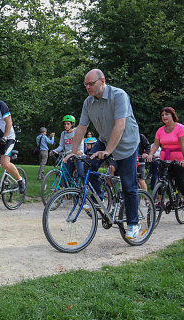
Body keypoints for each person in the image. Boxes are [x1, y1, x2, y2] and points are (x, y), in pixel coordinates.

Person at [64, 69, 141, 239]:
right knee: (87, 165)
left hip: (127, 144)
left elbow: (120, 125)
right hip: (106, 140)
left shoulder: (119, 95)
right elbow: (81, 128)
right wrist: (74, 151)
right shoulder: (88, 102)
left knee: (128, 185)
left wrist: (107, 152)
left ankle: (134, 223)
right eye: (86, 85)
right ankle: (98, 198)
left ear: (103, 81)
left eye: (92, 83)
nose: (88, 87)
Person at [147, 107, 184, 211]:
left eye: (167, 114)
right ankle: (160, 201)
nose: (164, 117)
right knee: (161, 179)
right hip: (165, 158)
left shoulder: (180, 128)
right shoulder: (160, 130)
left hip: (179, 158)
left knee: (180, 181)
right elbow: (156, 145)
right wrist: (150, 154)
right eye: (162, 115)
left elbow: (183, 144)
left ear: (172, 116)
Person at [51, 115, 85, 181]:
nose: (66, 126)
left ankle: (85, 187)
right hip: (68, 156)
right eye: (65, 124)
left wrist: (80, 151)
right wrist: (54, 151)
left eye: (68, 124)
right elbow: (61, 146)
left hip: (78, 155)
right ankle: (66, 190)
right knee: (65, 174)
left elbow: (80, 144)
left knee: (81, 173)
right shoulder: (63, 133)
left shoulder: (77, 132)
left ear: (72, 124)